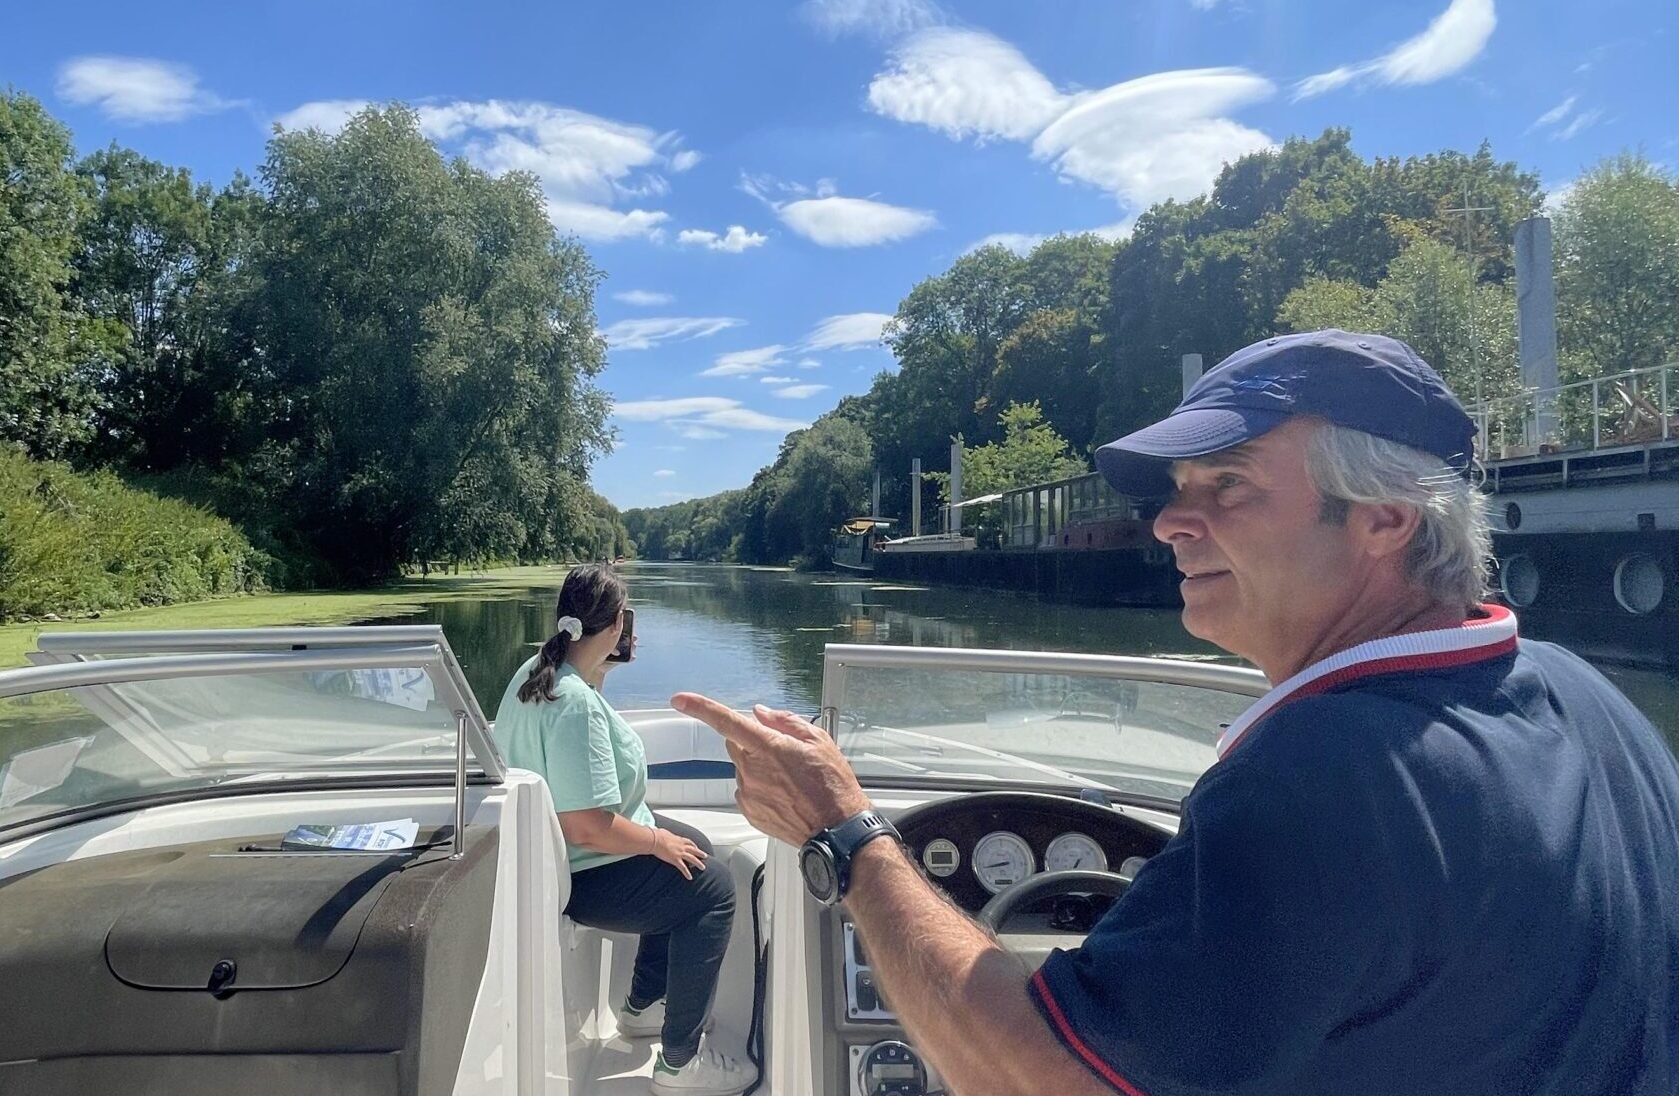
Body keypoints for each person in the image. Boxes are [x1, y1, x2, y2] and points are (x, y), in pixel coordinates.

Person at [674, 330, 1679, 1096]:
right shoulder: (1589, 702)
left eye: (1228, 486)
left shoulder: (1326, 776)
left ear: (1384, 521)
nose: (1167, 521)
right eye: (1177, 487)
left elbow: (1038, 1075)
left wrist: (846, 835)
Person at [493, 563, 755, 1096]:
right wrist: (656, 841)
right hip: (587, 872)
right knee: (715, 891)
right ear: (615, 626)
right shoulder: (575, 703)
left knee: (696, 848)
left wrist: (596, 669)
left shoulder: (538, 673)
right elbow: (588, 825)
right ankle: (680, 1065)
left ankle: (642, 1006)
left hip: (561, 858)